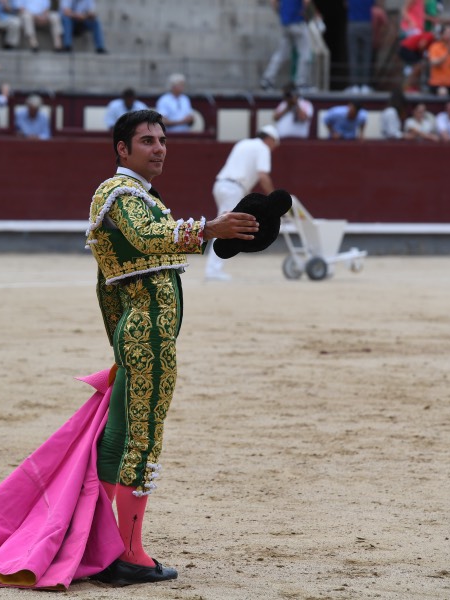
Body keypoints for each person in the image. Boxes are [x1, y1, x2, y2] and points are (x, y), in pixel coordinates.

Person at [85, 109, 259, 584]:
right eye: (147, 141)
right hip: (149, 336)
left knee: (118, 438)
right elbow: (148, 238)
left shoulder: (135, 195)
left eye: (162, 140)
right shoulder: (120, 193)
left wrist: (119, 345)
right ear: (123, 149)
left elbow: (107, 283)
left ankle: (98, 544)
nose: (159, 148)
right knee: (141, 439)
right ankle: (129, 554)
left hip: (135, 335)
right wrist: (209, 228)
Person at [206, 125, 280, 281]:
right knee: (225, 226)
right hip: (234, 189)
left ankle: (214, 268)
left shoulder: (244, 143)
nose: (274, 148)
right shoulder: (263, 148)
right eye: (275, 143)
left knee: (224, 224)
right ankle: (213, 269)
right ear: (270, 139)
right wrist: (274, 199)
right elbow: (263, 176)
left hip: (221, 185)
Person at [260, 0, 312, 92]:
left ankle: (267, 79)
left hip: (285, 23)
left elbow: (273, 2)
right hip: (297, 21)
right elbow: (306, 1)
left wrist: (282, 13)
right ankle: (300, 82)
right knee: (305, 53)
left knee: (281, 54)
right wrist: (304, 11)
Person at [346, 0, 382, 93]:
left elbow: (346, 5)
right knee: (367, 55)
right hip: (366, 24)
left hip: (353, 23)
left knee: (354, 56)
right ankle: (365, 85)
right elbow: (374, 5)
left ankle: (355, 85)